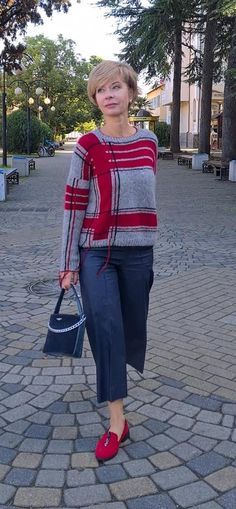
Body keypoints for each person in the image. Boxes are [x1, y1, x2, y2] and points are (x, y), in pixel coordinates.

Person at [59, 60, 158, 462]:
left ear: (131, 93)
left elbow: (148, 197)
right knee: (107, 328)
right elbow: (73, 205)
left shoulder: (149, 141)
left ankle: (119, 386)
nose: (109, 95)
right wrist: (67, 262)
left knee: (132, 326)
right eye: (101, 90)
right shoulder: (88, 146)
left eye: (116, 87)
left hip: (138, 253)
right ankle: (117, 420)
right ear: (96, 99)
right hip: (96, 253)